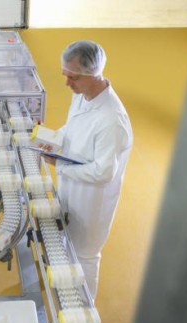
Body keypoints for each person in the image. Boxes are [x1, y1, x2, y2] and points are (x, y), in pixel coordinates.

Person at [41, 40, 133, 300]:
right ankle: (65, 290)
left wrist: (60, 165)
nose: (67, 84)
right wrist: (53, 138)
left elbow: (104, 172)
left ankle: (84, 311)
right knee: (67, 242)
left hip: (93, 201)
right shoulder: (82, 95)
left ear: (93, 74)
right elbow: (72, 127)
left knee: (85, 255)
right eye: (65, 75)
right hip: (71, 185)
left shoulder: (111, 119)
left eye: (73, 77)